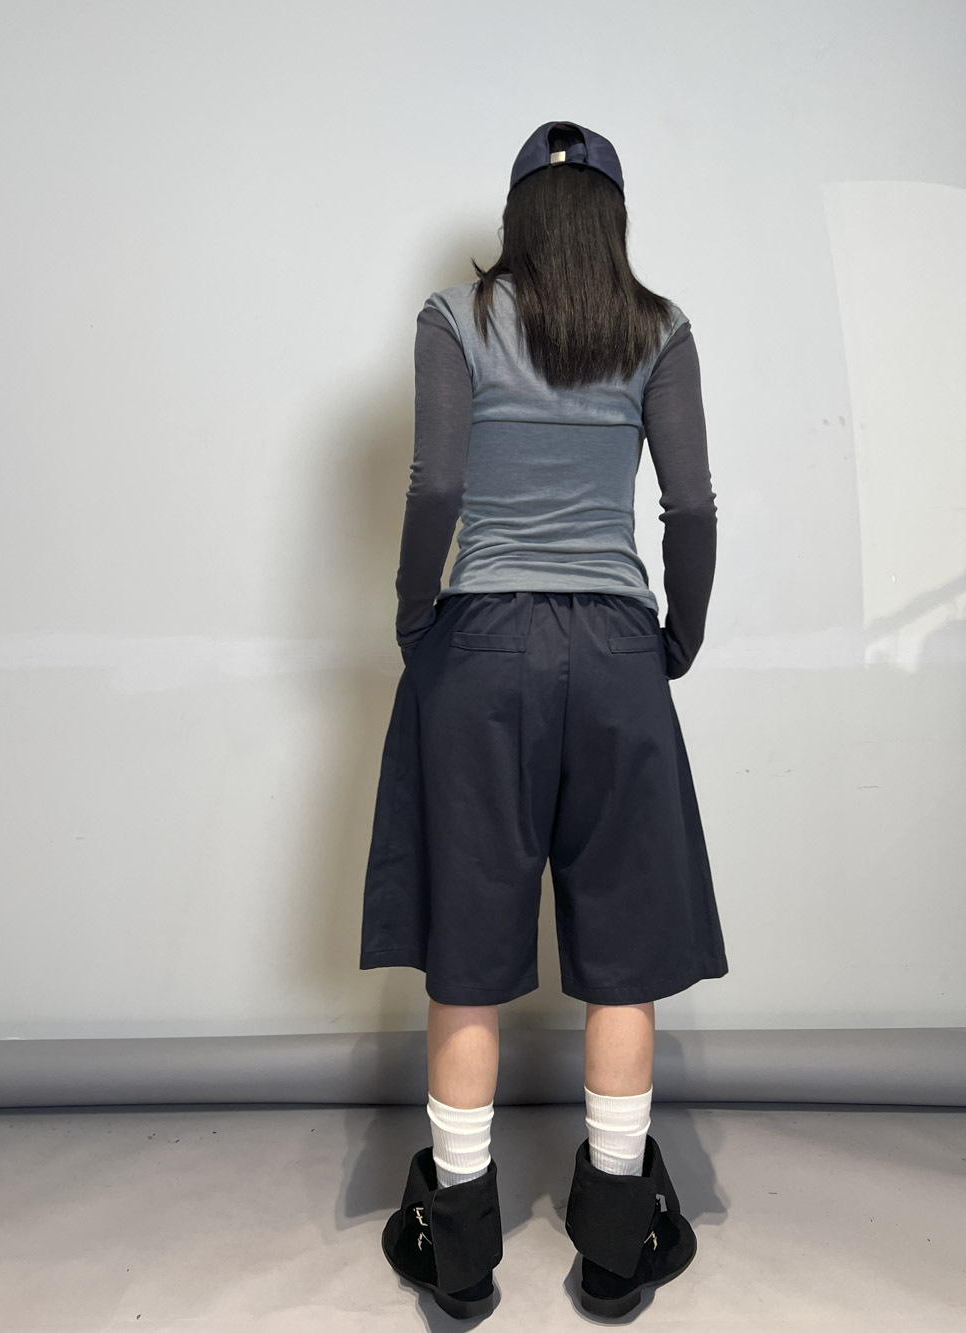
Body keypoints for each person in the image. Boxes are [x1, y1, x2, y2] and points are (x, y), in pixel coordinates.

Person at [359, 120, 729, 1320]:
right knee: (621, 959)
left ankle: (460, 1250)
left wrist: (418, 617)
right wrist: (677, 637)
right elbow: (691, 509)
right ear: (614, 218)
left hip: (480, 653)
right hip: (616, 653)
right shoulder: (658, 329)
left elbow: (439, 484)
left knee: (467, 957)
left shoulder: (452, 319)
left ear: (515, 213)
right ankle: (616, 1247)